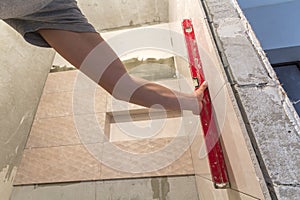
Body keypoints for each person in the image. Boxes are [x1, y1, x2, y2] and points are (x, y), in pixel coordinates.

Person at [1, 0, 208, 114]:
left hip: (53, 12)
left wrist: (190, 102)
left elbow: (121, 85)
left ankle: (191, 102)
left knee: (119, 84)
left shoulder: (57, 11)